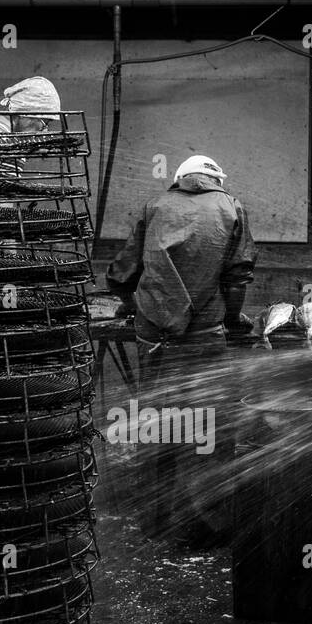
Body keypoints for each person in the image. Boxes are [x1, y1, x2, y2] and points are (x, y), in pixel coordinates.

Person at [106, 154, 257, 544]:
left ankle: (156, 523)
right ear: (214, 181)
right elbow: (237, 276)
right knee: (206, 426)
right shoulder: (231, 206)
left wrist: (134, 303)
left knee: (157, 422)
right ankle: (206, 528)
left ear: (180, 180)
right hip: (205, 337)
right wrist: (234, 319)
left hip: (155, 337)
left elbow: (123, 272)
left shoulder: (155, 205)